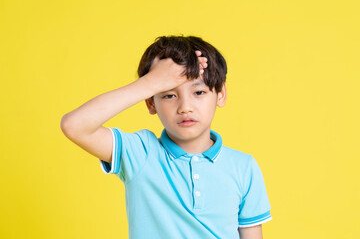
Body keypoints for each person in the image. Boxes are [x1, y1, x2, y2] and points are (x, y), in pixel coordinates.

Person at [60, 35, 272, 239]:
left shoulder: (244, 166)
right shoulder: (140, 153)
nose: (185, 107)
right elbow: (75, 126)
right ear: (151, 102)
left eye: (198, 93)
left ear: (220, 94)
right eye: (169, 94)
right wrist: (150, 83)